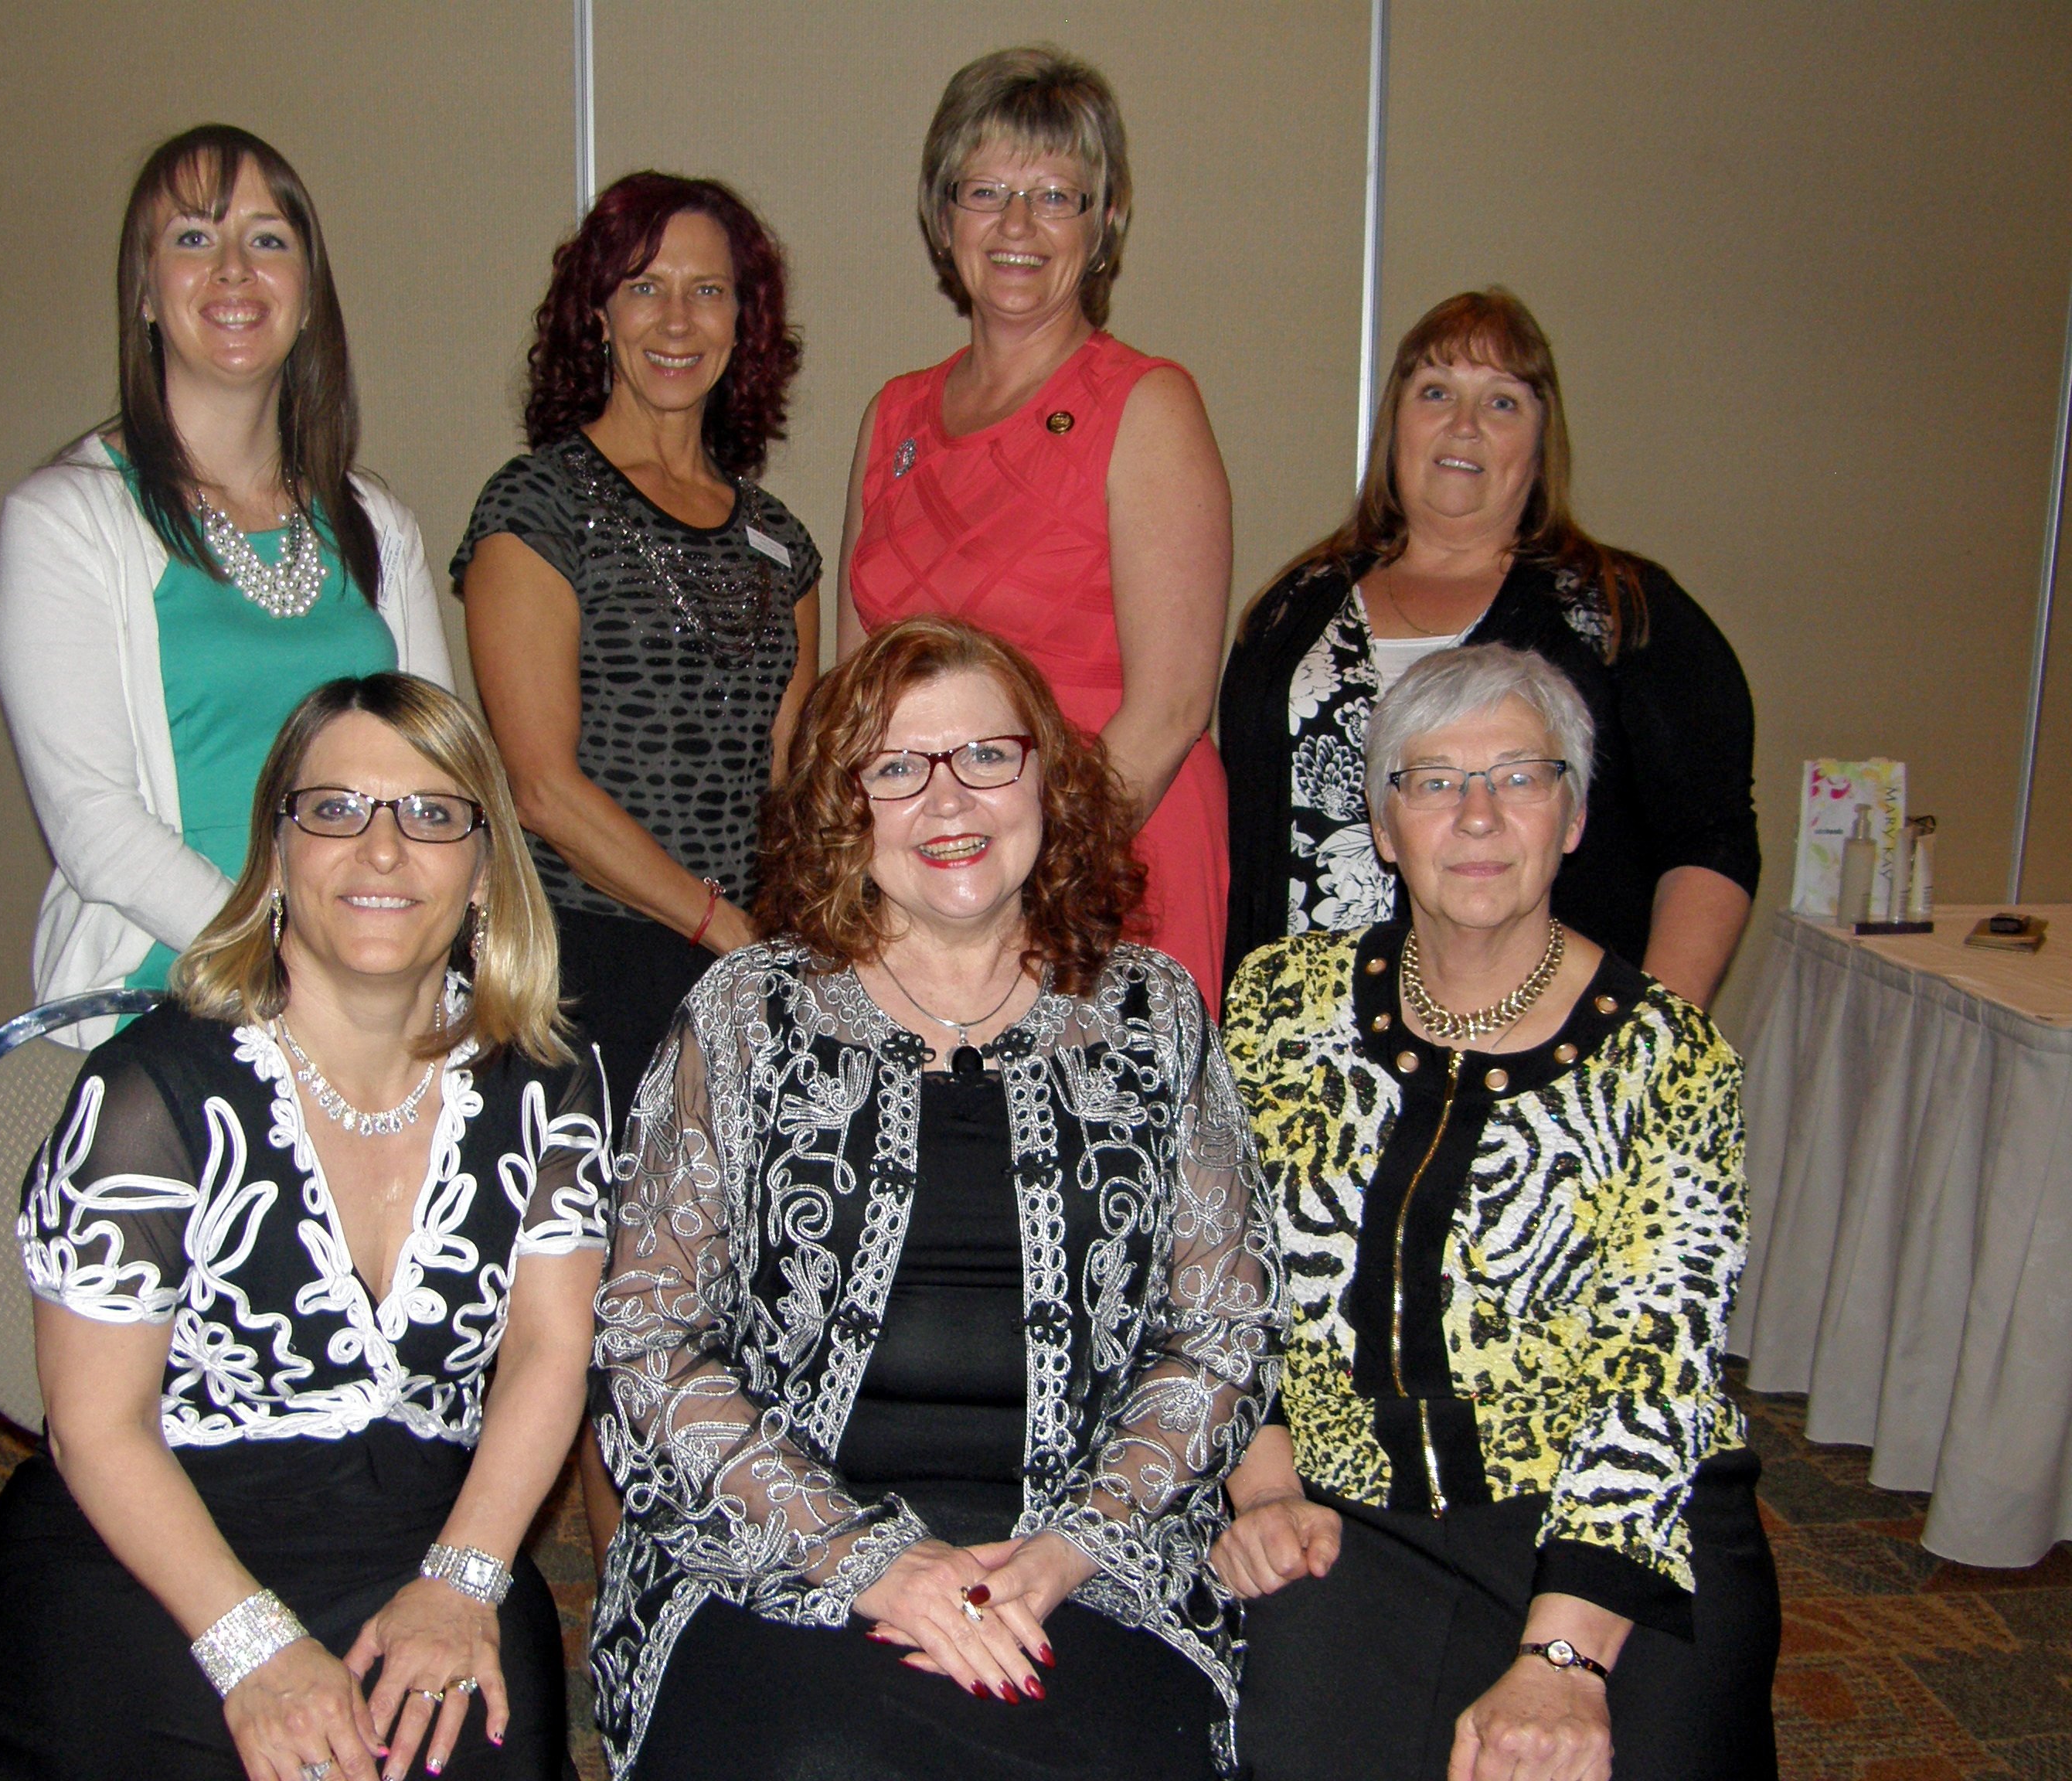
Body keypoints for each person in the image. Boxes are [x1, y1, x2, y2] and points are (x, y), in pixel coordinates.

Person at [588, 615, 1279, 1781]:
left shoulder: (1154, 1018)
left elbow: (1220, 1336)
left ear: (1047, 780)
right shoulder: (747, 1015)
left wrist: (1070, 1549)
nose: (948, 802)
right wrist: (866, 1562)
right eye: (897, 769)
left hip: (1092, 1564)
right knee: (819, 1758)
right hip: (777, 1558)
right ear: (842, 810)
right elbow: (650, 1339)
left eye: (986, 757)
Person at [0, 674, 606, 1781]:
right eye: (335, 809)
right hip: (151, 1542)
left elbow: (551, 1348)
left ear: (486, 867)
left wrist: (467, 1577)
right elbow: (95, 1428)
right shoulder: (151, 1094)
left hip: (424, 1530)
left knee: (475, 1749)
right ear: (278, 857)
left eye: (432, 814)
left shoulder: (546, 1082)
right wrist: (251, 1650)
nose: (382, 852)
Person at [1216, 644, 1779, 1781]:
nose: (1478, 815)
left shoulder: (1667, 1058)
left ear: (1571, 818)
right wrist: (1262, 1469)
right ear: (1383, 826)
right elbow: (1217, 1268)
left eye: (1521, 776)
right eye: (1432, 781)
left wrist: (1565, 1659)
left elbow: (1655, 1375)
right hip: (1342, 1508)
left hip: (1612, 1518)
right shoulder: (1281, 1003)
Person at [0, 125, 452, 1040]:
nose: (235, 269)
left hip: (372, 1012)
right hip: (168, 1007)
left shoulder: (378, 526)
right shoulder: (66, 520)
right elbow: (95, 826)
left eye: (268, 239)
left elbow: (437, 784)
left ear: (308, 297)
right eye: (194, 239)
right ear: (147, 293)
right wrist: (291, 966)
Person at [1218, 288, 1757, 1008]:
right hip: (1307, 1052)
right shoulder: (1294, 607)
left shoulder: (1622, 613)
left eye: (1502, 402)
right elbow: (1243, 839)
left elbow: (1710, 838)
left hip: (1542, 1048)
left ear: (1541, 444)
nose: (1463, 426)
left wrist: (1650, 1038)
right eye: (1436, 392)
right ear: (1396, 425)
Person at [839, 46, 1233, 1010]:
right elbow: (850, 706)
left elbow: (1173, 707)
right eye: (986, 192)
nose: (1018, 225)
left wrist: (1023, 888)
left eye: (1056, 195)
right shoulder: (892, 415)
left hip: (1107, 874)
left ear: (1104, 226)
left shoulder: (1148, 405)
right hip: (927, 879)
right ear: (943, 216)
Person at [454, 169, 822, 1112]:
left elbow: (791, 777)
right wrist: (720, 926)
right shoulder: (535, 506)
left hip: (745, 970)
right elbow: (541, 788)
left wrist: (802, 945)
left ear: (745, 322)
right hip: (587, 962)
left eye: (708, 291)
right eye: (644, 288)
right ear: (600, 317)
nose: (676, 320)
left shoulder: (783, 539)